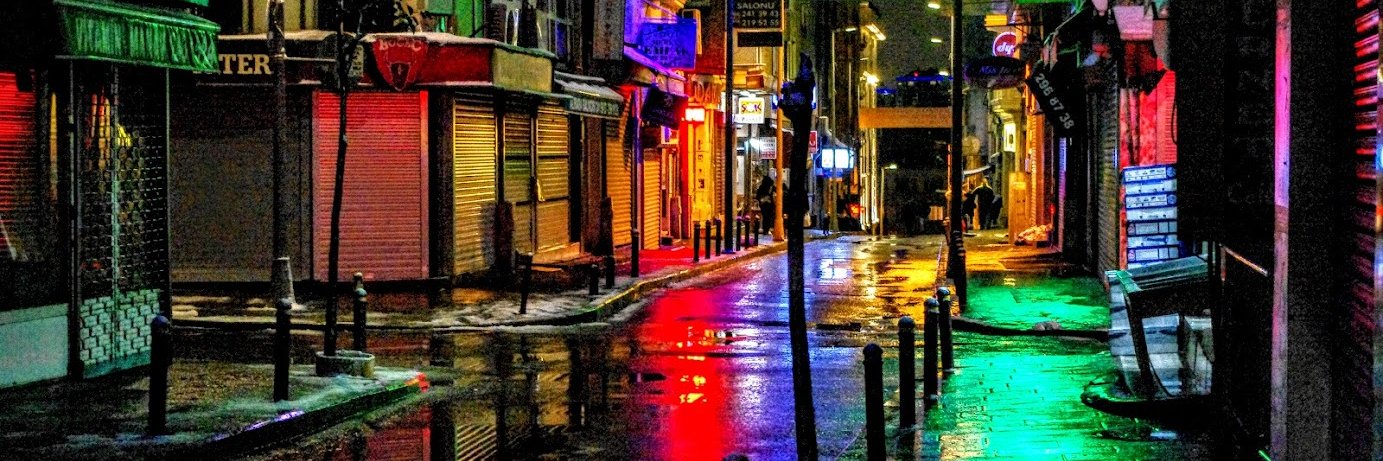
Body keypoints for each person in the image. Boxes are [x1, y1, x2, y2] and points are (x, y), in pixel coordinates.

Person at [755, 170, 775, 234]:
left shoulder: (761, 187)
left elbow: (757, 196)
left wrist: (761, 200)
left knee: (765, 217)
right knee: (768, 217)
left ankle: (765, 230)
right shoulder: (771, 187)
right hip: (769, 204)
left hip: (763, 204)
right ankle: (767, 229)